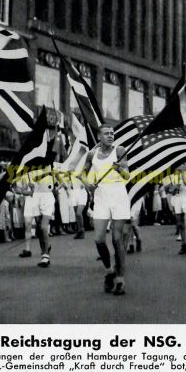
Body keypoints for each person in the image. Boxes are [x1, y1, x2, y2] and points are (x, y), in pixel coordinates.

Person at [81, 124, 130, 295]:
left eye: (112, 133)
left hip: (118, 194)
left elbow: (127, 175)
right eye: (107, 133)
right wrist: (88, 184)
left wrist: (119, 169)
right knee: (99, 240)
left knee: (117, 239)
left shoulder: (120, 150)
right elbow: (83, 173)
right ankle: (110, 271)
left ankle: (120, 281)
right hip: (101, 195)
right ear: (98, 136)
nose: (110, 136)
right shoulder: (92, 154)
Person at [19, 167, 55, 267]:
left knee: (43, 226)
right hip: (35, 197)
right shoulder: (28, 166)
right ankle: (45, 251)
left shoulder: (47, 162)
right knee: (40, 228)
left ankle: (45, 256)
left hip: (47, 196)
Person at [173, 163, 186, 257]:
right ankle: (183, 244)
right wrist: (174, 188)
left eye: (185, 163)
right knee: (180, 223)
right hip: (178, 197)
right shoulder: (175, 173)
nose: (182, 164)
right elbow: (171, 189)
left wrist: (182, 172)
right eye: (181, 163)